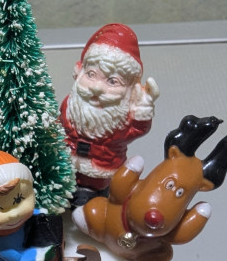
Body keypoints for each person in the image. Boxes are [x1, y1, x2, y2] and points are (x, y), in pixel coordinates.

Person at [60, 23, 160, 205]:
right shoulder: (69, 104)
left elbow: (136, 130)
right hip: (66, 163)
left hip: (100, 169)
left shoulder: (120, 117)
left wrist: (142, 109)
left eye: (112, 81)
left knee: (90, 200)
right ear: (79, 71)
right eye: (91, 74)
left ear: (130, 89)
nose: (97, 87)